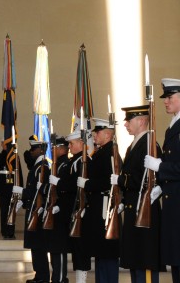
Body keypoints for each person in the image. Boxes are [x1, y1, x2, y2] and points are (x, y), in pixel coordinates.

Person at [116, 105, 163, 283]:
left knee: (145, 259)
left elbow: (145, 180)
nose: (126, 124)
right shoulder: (135, 145)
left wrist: (121, 181)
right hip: (133, 207)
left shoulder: (149, 144)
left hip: (144, 210)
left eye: (129, 120)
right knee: (136, 260)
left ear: (142, 121)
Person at [144, 78, 180, 282]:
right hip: (173, 202)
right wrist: (159, 183)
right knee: (176, 261)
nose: (166, 101)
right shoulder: (172, 127)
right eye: (165, 97)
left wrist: (160, 167)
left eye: (170, 97)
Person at [76, 118, 120, 283]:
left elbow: (109, 181)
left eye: (98, 132)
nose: (94, 134)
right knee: (100, 252)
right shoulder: (102, 152)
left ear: (108, 134)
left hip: (104, 207)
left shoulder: (110, 153)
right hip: (97, 206)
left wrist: (87, 184)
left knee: (107, 252)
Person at [14, 138, 49, 283]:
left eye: (33, 149)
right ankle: (39, 275)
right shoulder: (37, 166)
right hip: (33, 209)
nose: (31, 152)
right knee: (35, 246)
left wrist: (22, 191)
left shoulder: (42, 167)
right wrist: (23, 200)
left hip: (37, 212)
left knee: (38, 246)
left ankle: (43, 277)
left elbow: (40, 191)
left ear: (40, 150)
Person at [63, 130, 92, 283]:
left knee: (81, 248)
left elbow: (75, 185)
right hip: (73, 210)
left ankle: (82, 279)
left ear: (81, 143)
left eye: (72, 143)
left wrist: (59, 183)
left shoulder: (84, 161)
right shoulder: (75, 161)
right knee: (76, 247)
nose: (69, 146)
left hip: (81, 209)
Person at [45, 136, 72, 283]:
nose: (52, 150)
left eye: (54, 147)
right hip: (53, 210)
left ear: (62, 148)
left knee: (59, 247)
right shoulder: (57, 165)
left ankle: (60, 278)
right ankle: (56, 277)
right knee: (54, 248)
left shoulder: (65, 164)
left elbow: (67, 189)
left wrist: (58, 206)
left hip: (61, 212)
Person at [0, 140, 22, 239]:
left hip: (12, 185)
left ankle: (11, 232)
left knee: (12, 210)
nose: (6, 145)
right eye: (4, 144)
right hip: (2, 187)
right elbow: (1, 161)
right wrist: (6, 151)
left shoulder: (15, 156)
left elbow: (19, 173)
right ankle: (5, 232)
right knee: (4, 210)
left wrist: (20, 188)